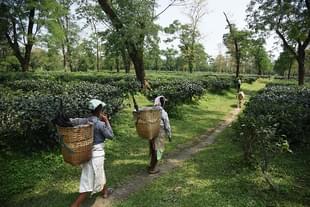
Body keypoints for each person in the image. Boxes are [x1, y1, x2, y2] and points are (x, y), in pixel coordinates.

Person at [70, 99, 114, 207]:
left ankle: (105, 192)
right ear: (99, 110)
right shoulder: (100, 124)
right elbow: (111, 135)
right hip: (96, 155)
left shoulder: (84, 121)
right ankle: (75, 205)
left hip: (86, 152)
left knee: (100, 173)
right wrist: (106, 120)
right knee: (88, 181)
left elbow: (71, 121)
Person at [148, 96, 172, 174]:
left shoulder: (151, 110)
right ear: (162, 103)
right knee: (158, 149)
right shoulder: (163, 112)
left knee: (152, 148)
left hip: (151, 131)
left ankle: (151, 165)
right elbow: (167, 125)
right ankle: (152, 168)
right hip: (159, 132)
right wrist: (169, 135)